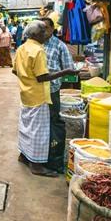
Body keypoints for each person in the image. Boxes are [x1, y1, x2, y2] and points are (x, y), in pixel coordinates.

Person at [13, 21, 79, 177]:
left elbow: (15, 71)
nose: (47, 35)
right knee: (39, 132)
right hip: (39, 96)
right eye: (43, 32)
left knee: (26, 127)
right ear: (36, 34)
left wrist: (27, 80)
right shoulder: (38, 50)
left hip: (25, 94)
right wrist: (66, 72)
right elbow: (43, 77)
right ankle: (36, 165)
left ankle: (24, 155)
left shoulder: (21, 48)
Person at [41, 17, 74, 172]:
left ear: (52, 28)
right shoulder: (35, 44)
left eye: (46, 27)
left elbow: (70, 69)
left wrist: (53, 77)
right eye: (40, 27)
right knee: (39, 123)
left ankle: (53, 159)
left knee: (53, 122)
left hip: (52, 91)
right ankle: (37, 156)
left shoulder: (60, 46)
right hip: (36, 92)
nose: (43, 31)